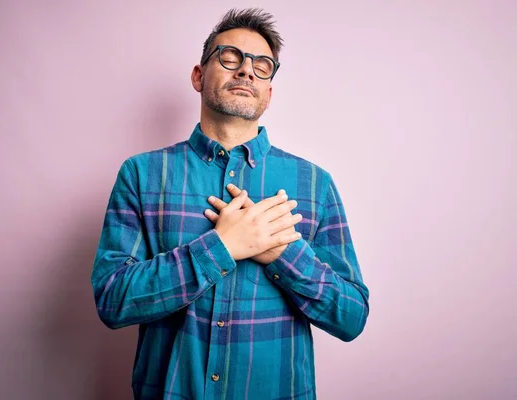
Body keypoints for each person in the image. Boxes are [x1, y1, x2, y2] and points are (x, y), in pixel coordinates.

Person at [91, 7, 370, 399]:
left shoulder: (315, 184)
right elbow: (113, 301)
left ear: (269, 93)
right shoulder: (141, 174)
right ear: (198, 75)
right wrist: (219, 248)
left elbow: (351, 317)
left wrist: (281, 253)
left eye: (262, 65)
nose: (246, 71)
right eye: (230, 57)